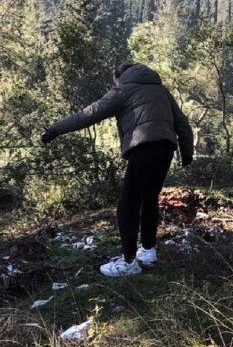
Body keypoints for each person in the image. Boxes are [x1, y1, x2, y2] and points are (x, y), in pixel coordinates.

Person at [41, 62, 194, 277]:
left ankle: (129, 261)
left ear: (119, 77)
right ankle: (148, 251)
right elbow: (182, 122)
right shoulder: (161, 90)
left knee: (128, 204)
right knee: (149, 198)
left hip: (143, 146)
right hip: (166, 147)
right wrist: (187, 152)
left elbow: (89, 113)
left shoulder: (122, 90)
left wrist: (55, 129)